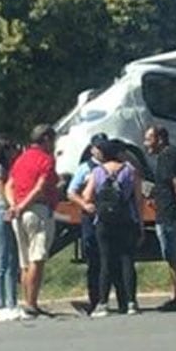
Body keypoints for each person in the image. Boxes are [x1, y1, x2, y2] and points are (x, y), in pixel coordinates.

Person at [83, 139, 144, 317]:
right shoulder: (130, 170)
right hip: (126, 219)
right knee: (127, 261)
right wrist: (140, 223)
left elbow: (86, 196)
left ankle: (103, 303)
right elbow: (138, 199)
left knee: (106, 261)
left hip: (104, 222)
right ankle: (131, 302)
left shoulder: (97, 171)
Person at [67, 132, 126, 315]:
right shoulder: (86, 168)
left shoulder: (118, 166)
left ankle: (123, 301)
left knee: (115, 260)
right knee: (95, 262)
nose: (100, 150)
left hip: (112, 219)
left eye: (103, 147)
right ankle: (96, 301)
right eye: (97, 147)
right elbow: (71, 191)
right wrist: (85, 204)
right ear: (92, 149)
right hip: (91, 220)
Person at [5, 124, 59, 318]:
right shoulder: (46, 159)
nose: (54, 144)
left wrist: (13, 205)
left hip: (19, 214)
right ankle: (31, 303)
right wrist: (22, 206)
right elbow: (39, 187)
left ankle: (27, 302)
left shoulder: (20, 159)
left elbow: (9, 185)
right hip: (37, 211)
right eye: (52, 140)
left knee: (25, 261)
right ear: (45, 139)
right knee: (38, 258)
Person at [144, 125, 176, 312]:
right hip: (166, 211)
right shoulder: (169, 156)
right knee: (172, 257)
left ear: (160, 139)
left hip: (171, 215)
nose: (146, 144)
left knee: (173, 256)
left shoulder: (168, 156)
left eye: (149, 139)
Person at [0, 136, 20, 322]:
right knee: (3, 259)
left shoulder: (8, 168)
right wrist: (12, 205)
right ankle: (0, 305)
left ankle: (12, 302)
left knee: (12, 260)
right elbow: (2, 190)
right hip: (1, 211)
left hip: (8, 211)